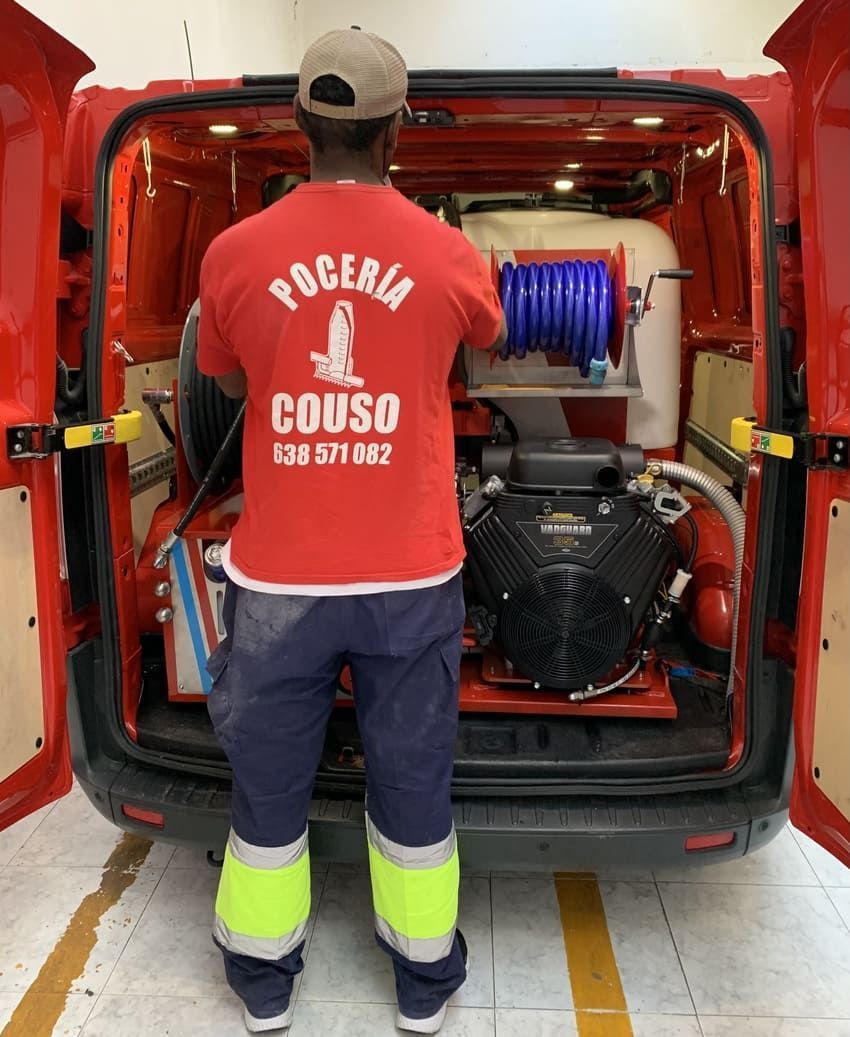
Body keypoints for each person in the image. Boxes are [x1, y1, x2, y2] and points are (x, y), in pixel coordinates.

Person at [197, 26, 506, 1035]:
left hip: (279, 581)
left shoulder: (234, 253)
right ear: (395, 130)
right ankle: (422, 981)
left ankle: (262, 979)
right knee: (411, 772)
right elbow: (486, 340)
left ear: (300, 123)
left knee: (268, 778)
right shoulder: (447, 251)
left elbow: (228, 381)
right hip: (409, 576)